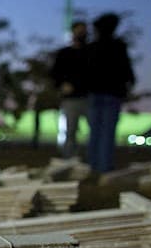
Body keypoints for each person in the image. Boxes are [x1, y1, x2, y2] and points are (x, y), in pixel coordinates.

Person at [85, 13, 135, 174]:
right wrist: (128, 84)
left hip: (96, 92)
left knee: (95, 130)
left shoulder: (93, 47)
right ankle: (104, 165)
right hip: (112, 93)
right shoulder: (118, 46)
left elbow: (85, 70)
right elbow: (126, 69)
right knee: (107, 131)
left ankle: (94, 164)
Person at [50, 20, 90, 158]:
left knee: (95, 129)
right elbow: (55, 74)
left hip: (89, 97)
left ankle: (90, 157)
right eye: (79, 31)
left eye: (83, 31)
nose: (81, 34)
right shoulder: (64, 53)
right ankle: (68, 158)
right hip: (71, 99)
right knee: (70, 130)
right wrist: (62, 85)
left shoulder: (91, 52)